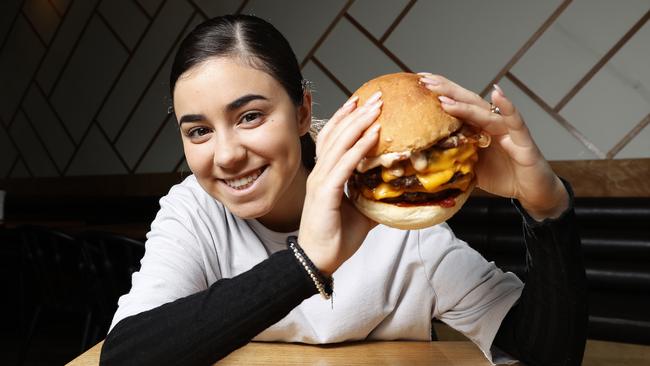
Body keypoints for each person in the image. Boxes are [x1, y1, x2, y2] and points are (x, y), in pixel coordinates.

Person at [100, 14, 587, 365]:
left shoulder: (395, 209)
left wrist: (547, 207)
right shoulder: (193, 209)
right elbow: (126, 356)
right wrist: (306, 262)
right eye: (198, 131)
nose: (225, 155)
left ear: (303, 112)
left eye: (250, 116)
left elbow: (546, 352)